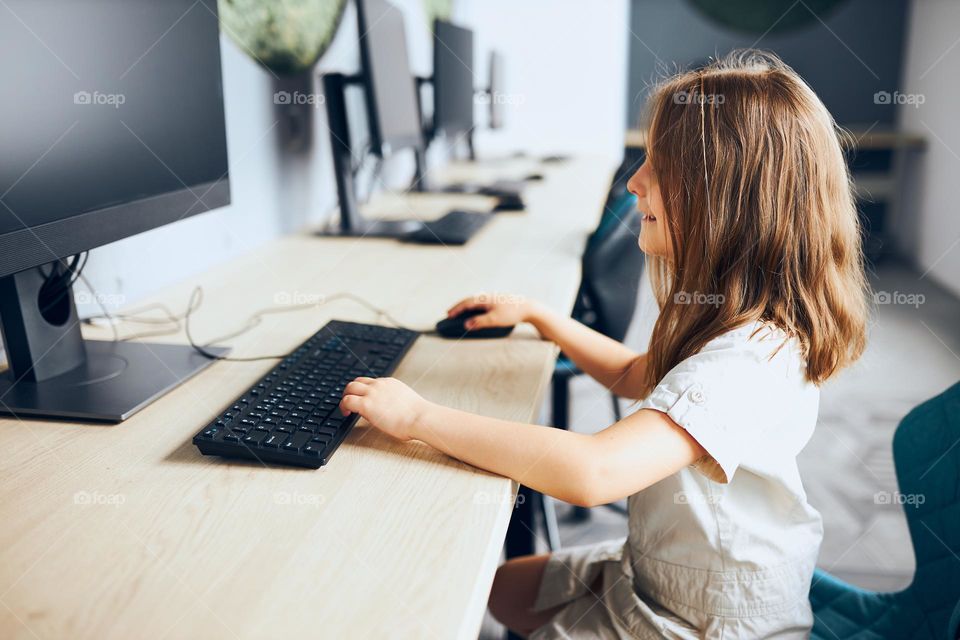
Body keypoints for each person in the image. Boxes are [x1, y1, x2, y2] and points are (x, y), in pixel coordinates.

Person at [339, 50, 869, 638]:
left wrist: (418, 415)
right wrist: (542, 316)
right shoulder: (720, 316)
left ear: (725, 197)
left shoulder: (747, 360)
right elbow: (633, 374)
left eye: (658, 164)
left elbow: (592, 473)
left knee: (459, 598)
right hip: (660, 571)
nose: (634, 180)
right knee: (495, 589)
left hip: (707, 618)